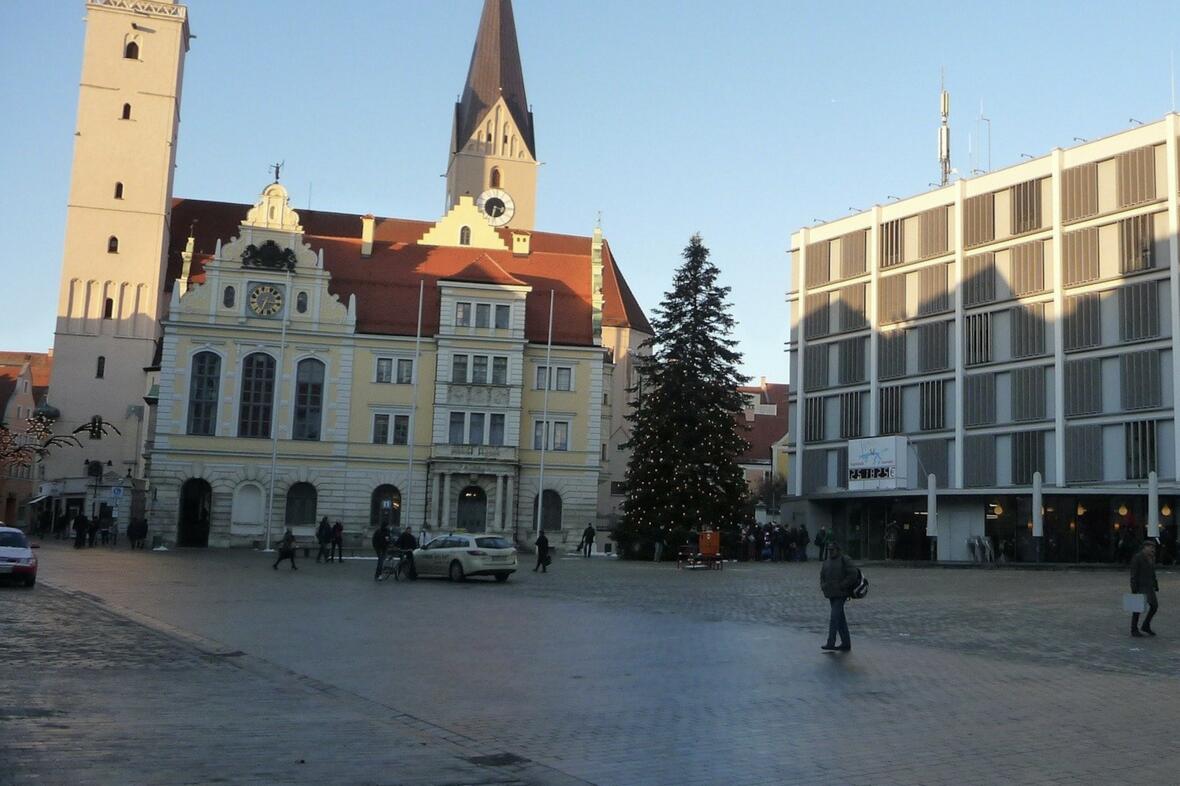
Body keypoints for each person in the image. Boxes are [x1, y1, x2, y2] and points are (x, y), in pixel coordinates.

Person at [819, 542, 858, 652]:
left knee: (834, 618)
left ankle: (831, 642)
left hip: (841, 594)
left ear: (838, 549)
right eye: (829, 550)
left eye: (832, 550)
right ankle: (846, 643)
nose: (830, 552)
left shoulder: (845, 559)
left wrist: (842, 585)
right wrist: (823, 586)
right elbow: (822, 576)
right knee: (840, 619)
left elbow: (853, 574)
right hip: (831, 593)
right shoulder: (826, 562)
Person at [1130, 539, 1160, 637]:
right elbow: (1133, 574)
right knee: (1137, 608)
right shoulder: (1137, 558)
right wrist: (1134, 588)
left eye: (1153, 547)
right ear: (1145, 547)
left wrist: (1155, 584)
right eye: (1151, 547)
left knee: (1154, 606)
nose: (1153, 549)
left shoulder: (1151, 557)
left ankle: (1146, 625)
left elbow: (1152, 572)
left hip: (1149, 586)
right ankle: (1134, 629)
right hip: (1141, 586)